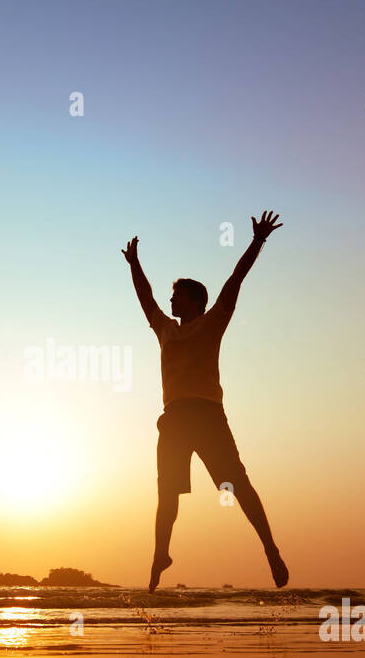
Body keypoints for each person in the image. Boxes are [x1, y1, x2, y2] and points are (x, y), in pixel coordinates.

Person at [122, 211, 288, 592]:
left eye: (178, 295)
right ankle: (160, 555)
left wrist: (257, 241)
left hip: (208, 416)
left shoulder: (213, 322)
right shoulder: (165, 329)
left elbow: (234, 281)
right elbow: (146, 297)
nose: (171, 299)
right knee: (167, 495)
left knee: (237, 485)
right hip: (174, 420)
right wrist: (134, 264)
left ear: (196, 301)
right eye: (172, 295)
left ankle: (270, 548)